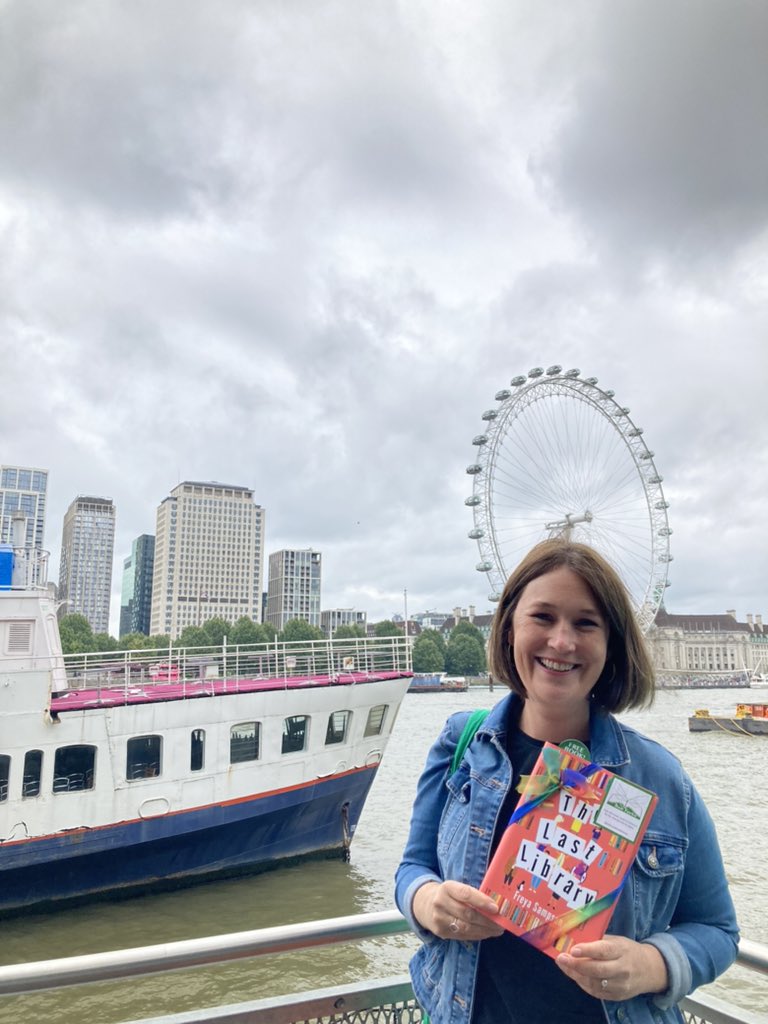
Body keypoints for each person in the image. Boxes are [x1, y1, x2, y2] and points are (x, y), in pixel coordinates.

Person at [395, 539, 739, 1024]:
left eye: (585, 623)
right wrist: (428, 902)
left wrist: (650, 965)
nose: (561, 642)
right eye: (542, 617)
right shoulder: (460, 744)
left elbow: (717, 930)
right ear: (510, 626)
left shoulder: (660, 778)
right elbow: (412, 868)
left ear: (611, 644)